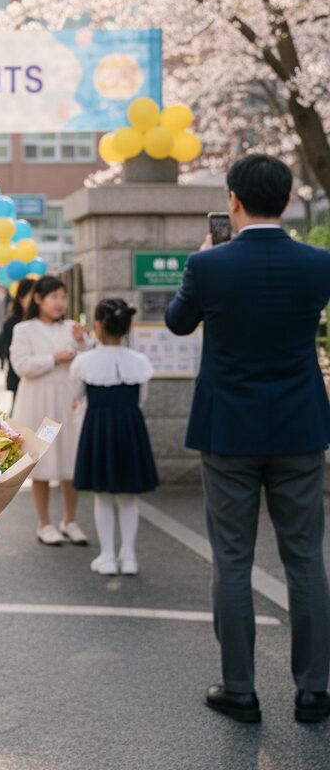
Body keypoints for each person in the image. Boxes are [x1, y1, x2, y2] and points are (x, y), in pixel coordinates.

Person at [165, 153, 330, 725]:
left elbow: (178, 323)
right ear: (286, 201)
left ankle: (240, 689)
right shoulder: (318, 264)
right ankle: (314, 690)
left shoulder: (209, 266)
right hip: (300, 427)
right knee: (306, 558)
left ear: (232, 200)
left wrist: (204, 260)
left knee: (232, 560)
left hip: (229, 429)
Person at [71, 298, 157, 576]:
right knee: (128, 495)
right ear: (127, 326)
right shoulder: (140, 362)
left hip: (98, 427)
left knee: (103, 495)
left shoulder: (84, 361)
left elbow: (76, 397)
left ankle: (107, 557)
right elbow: (142, 399)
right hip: (131, 427)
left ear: (96, 326)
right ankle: (129, 557)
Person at [9, 275, 91, 546]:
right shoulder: (24, 329)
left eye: (62, 297)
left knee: (70, 460)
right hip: (39, 405)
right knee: (42, 460)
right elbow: (22, 366)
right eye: (54, 297)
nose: (60, 303)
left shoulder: (72, 328)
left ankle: (70, 520)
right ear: (38, 299)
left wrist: (82, 343)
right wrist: (55, 358)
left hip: (67, 403)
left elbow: (89, 360)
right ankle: (44, 523)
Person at [2, 278, 36, 410]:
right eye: (31, 296)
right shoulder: (12, 323)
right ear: (21, 298)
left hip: (38, 378)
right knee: (19, 414)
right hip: (19, 376)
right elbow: (8, 352)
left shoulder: (40, 322)